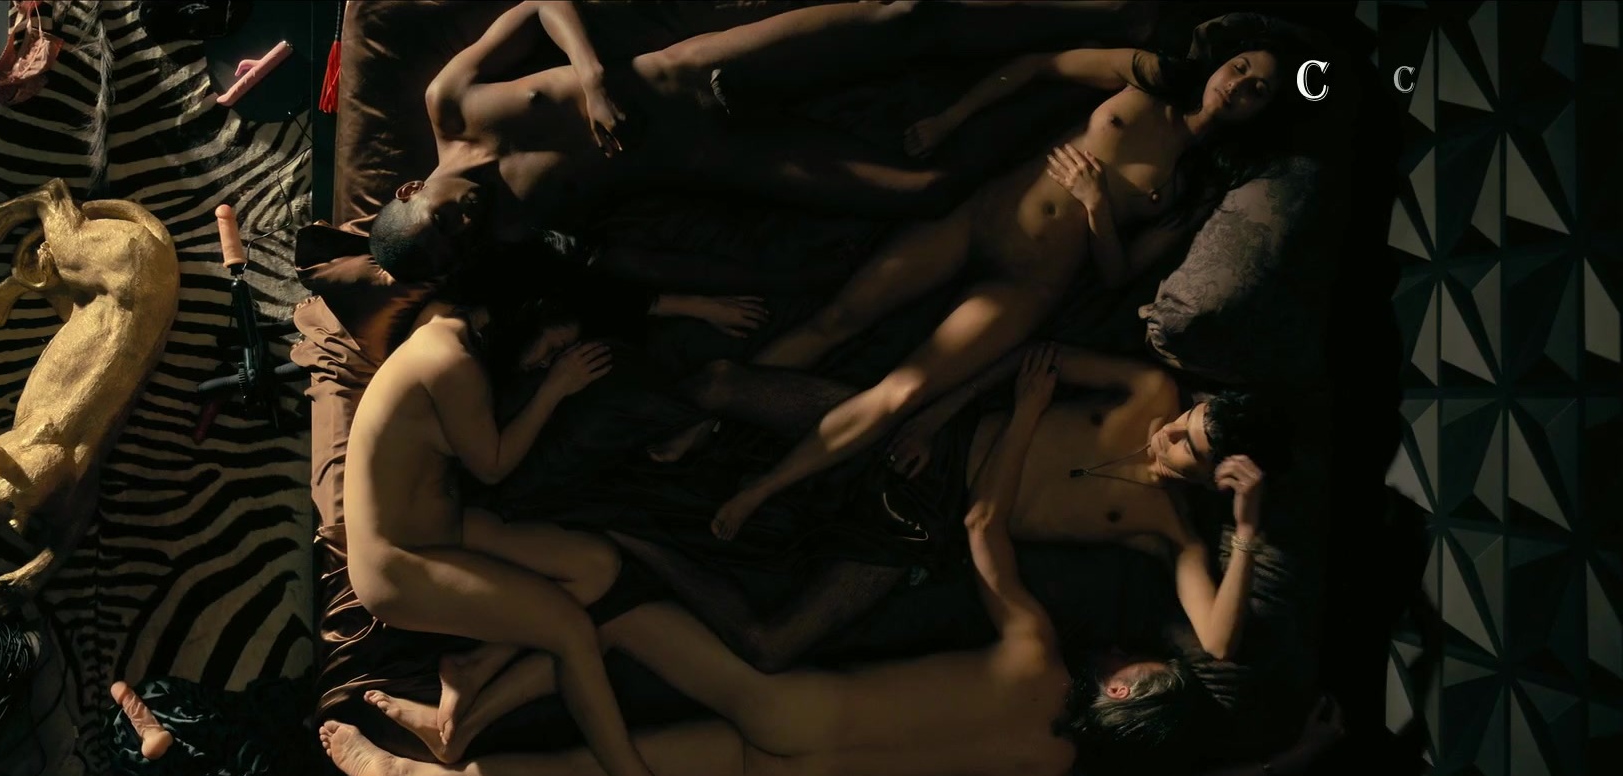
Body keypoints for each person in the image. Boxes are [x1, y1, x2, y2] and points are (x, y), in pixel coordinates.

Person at [324, 347, 1348, 776]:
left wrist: (1243, 524)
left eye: (1138, 668)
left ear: (1122, 690)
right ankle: (418, 773)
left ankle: (468, 686)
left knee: (601, 590)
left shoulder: (1041, 653)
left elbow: (984, 526)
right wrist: (1293, 758)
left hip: (788, 704)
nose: (1125, 652)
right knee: (586, 767)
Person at [663, 33, 1306, 542]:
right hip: (977, 218)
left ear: (1260, 115)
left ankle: (760, 489)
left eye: (1259, 89)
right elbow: (1041, 66)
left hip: (1026, 285)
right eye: (1241, 66)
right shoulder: (1142, 79)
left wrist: (1096, 205)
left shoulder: (1190, 188)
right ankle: (706, 422)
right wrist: (950, 120)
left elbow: (1115, 275)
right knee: (836, 319)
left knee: (903, 391)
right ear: (1220, 60)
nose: (1240, 84)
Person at [611, 342, 1289, 675]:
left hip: (925, 525)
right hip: (931, 441)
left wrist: (1247, 526)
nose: (1169, 434)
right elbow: (1028, 357)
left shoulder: (1168, 531)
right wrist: (932, 417)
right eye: (1188, 420)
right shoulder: (1150, 390)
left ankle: (626, 540)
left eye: (1189, 448)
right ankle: (622, 419)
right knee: (721, 383)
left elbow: (1218, 642)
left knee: (771, 648)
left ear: (1215, 480)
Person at [368, 0, 1155, 280]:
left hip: (701, 75)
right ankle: (1069, 79)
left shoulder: (452, 103)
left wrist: (594, 77)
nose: (463, 221)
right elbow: (615, 260)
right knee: (925, 191)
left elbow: (540, 3)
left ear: (412, 189)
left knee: (902, 17)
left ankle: (1104, 15)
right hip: (719, 157)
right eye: (456, 240)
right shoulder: (511, 229)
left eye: (442, 218)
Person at [338, 288, 686, 776]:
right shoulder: (451, 360)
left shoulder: (456, 322)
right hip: (397, 562)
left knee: (597, 565)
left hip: (445, 525)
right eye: (549, 350)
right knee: (571, 631)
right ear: (525, 318)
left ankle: (473, 671)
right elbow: (493, 465)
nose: (546, 364)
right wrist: (556, 386)